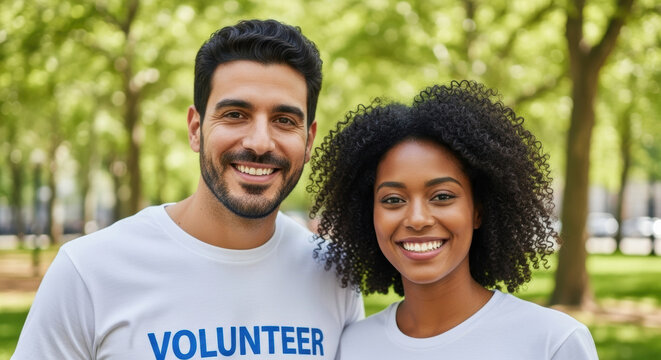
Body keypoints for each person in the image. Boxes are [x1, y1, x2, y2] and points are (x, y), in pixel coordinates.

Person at [13, 19, 363, 360]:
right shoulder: (89, 272)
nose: (259, 142)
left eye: (284, 120)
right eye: (235, 114)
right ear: (196, 129)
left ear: (309, 140)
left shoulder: (336, 275)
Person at [308, 80, 598, 359]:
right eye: (393, 200)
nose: (418, 219)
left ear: (478, 211)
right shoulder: (351, 347)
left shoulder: (553, 342)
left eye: (442, 196)